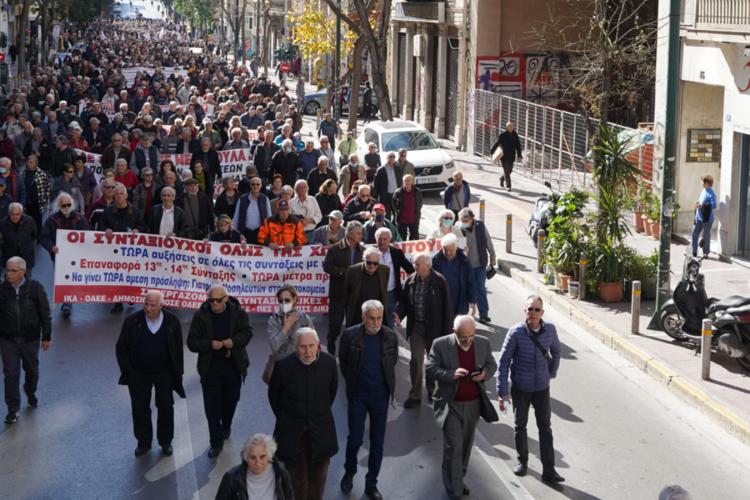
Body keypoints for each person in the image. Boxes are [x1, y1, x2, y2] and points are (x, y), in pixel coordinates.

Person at [426, 315, 499, 500]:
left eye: (471, 336)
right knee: (454, 447)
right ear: (454, 332)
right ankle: (454, 490)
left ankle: (458, 479)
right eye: (463, 338)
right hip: (450, 405)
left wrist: (484, 374)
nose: (467, 341)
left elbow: (492, 364)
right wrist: (452, 374)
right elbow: (430, 369)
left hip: (473, 405)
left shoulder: (483, 343)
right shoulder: (440, 344)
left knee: (465, 447)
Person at [497, 295, 564, 483]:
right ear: (524, 311)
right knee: (520, 426)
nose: (533, 313)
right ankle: (522, 462)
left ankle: (549, 470)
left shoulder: (550, 330)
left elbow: (557, 352)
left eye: (536, 310)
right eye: (530, 309)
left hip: (542, 388)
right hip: (521, 388)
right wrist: (503, 391)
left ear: (542, 313)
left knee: (545, 428)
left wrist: (551, 373)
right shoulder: (516, 332)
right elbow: (503, 362)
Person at [268, 328, 338, 500]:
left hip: (321, 433)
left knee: (318, 480)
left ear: (318, 345)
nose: (307, 351)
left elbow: (331, 393)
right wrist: (289, 418)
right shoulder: (283, 366)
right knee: (297, 483)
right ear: (295, 347)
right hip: (292, 435)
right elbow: (274, 397)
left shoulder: (329, 364)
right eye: (303, 347)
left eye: (311, 346)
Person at [338, 300, 397, 500]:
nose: (375, 322)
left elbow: (392, 361)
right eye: (371, 318)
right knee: (354, 439)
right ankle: (349, 471)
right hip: (358, 396)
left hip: (380, 397)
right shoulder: (349, 335)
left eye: (379, 318)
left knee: (377, 443)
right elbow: (344, 364)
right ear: (363, 318)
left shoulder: (390, 336)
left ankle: (371, 484)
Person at [115, 290, 186, 457]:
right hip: (139, 374)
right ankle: (143, 442)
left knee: (166, 407)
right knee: (140, 409)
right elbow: (121, 349)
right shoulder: (132, 321)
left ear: (162, 305)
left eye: (152, 305)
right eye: (146, 304)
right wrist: (129, 372)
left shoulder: (172, 322)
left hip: (164, 373)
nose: (148, 308)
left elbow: (177, 350)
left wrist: (178, 373)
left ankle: (165, 441)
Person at [187, 285, 253, 459]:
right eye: (210, 300)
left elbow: (247, 333)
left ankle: (227, 424)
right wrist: (209, 344)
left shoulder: (238, 313)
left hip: (233, 366)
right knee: (211, 407)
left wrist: (234, 341)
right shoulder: (201, 315)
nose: (213, 304)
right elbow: (192, 342)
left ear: (225, 299)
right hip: (210, 368)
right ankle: (215, 443)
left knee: (231, 400)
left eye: (217, 300)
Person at [0, 257, 52, 425]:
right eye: (7, 270)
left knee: (32, 371)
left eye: (13, 271)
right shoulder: (2, 290)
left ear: (22, 272)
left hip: (30, 340)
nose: (8, 274)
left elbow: (45, 313)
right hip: (8, 340)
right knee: (10, 375)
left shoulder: (35, 288)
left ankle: (30, 391)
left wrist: (46, 337)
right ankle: (12, 409)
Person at [399, 252, 453, 409]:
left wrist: (447, 334)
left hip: (435, 329)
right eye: (414, 264)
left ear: (427, 266)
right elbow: (404, 301)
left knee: (432, 362)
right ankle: (415, 395)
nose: (414, 267)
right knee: (416, 361)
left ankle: (432, 391)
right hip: (416, 327)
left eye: (417, 264)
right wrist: (399, 313)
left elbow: (448, 309)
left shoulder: (440, 281)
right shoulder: (411, 280)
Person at [39, 193, 90, 317]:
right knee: (63, 278)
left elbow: (88, 235)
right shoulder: (51, 220)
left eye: (68, 204)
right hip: (59, 257)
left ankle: (69, 302)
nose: (66, 207)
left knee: (73, 278)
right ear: (59, 205)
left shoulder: (80, 219)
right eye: (63, 205)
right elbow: (44, 237)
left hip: (76, 256)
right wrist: (52, 247)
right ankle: (67, 302)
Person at [323, 221, 365, 355]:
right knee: (335, 324)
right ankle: (331, 341)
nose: (361, 235)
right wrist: (345, 272)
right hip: (338, 294)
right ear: (350, 234)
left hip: (354, 294)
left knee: (352, 325)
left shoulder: (363, 250)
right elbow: (327, 267)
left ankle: (347, 348)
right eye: (358, 233)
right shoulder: (335, 249)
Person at [215, 433, 295, 500]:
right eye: (253, 457)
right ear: (246, 458)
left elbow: (289, 496)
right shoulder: (231, 478)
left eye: (262, 456)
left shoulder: (281, 472)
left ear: (269, 456)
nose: (258, 462)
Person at [267, 284, 315, 379]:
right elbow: (274, 346)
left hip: (301, 366)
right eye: (281, 301)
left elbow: (313, 344)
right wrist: (286, 327)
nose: (284, 303)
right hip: (281, 367)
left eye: (287, 300)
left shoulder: (304, 319)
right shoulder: (274, 320)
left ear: (295, 299)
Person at [458, 208, 496, 324]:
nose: (464, 222)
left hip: (480, 264)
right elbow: (458, 247)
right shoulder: (459, 228)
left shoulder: (480, 226)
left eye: (466, 220)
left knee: (480, 288)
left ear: (472, 219)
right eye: (462, 220)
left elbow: (488, 242)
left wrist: (493, 257)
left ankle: (483, 314)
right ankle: (464, 313)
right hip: (465, 266)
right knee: (464, 289)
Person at [374, 227, 414, 329]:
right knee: (375, 321)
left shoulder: (396, 253)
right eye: (380, 239)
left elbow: (409, 269)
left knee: (390, 321)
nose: (382, 241)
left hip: (392, 294)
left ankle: (389, 343)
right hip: (375, 294)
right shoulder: (370, 253)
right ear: (376, 239)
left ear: (390, 240)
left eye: (385, 239)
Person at [344, 247, 389, 327]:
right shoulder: (353, 270)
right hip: (357, 314)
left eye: (375, 263)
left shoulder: (385, 270)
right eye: (369, 263)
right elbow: (346, 292)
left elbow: (384, 291)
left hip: (376, 315)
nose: (372, 266)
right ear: (364, 260)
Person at [432, 234, 474, 316]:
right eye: (445, 250)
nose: (448, 253)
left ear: (456, 247)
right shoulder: (435, 261)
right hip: (441, 303)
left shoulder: (464, 261)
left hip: (459, 303)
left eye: (451, 250)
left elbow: (470, 281)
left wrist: (472, 302)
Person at [0, 203, 38, 274]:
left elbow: (34, 235)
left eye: (17, 214)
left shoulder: (30, 221)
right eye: (12, 214)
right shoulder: (2, 223)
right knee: (11, 281)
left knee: (26, 281)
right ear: (9, 213)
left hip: (26, 257)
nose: (15, 217)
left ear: (22, 213)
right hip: (10, 257)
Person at [233, 176, 272, 244]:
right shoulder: (242, 199)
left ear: (261, 186)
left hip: (260, 232)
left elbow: (269, 217)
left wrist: (269, 233)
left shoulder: (265, 199)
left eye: (257, 184)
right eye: (253, 184)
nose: (255, 186)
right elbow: (236, 217)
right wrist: (235, 233)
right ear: (250, 185)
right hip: (245, 232)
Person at [490, 121, 523, 191]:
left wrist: (519, 154)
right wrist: (492, 151)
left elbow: (518, 145)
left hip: (511, 156)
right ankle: (509, 186)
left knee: (509, 170)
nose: (511, 127)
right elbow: (497, 143)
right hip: (504, 156)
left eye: (512, 126)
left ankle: (502, 178)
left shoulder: (515, 135)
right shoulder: (503, 135)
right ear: (507, 127)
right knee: (507, 171)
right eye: (509, 126)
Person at [692, 174, 717, 258]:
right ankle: (694, 251)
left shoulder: (712, 193)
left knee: (706, 235)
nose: (702, 184)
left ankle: (705, 253)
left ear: (708, 183)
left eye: (703, 182)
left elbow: (714, 205)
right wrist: (698, 202)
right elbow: (701, 201)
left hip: (707, 219)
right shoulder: (703, 191)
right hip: (699, 217)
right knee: (694, 233)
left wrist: (702, 205)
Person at [392, 174, 423, 241]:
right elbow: (394, 205)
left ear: (412, 182)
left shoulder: (417, 191)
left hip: (414, 220)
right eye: (405, 181)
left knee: (414, 240)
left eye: (408, 180)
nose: (406, 182)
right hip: (401, 220)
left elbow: (420, 203)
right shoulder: (398, 192)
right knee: (401, 239)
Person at [373, 152, 402, 217]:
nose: (392, 158)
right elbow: (376, 184)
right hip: (386, 195)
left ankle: (395, 226)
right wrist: (377, 196)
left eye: (393, 156)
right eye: (390, 156)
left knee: (397, 212)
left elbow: (400, 181)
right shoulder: (381, 170)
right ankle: (387, 226)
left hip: (396, 194)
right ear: (386, 158)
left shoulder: (397, 168)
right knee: (387, 213)